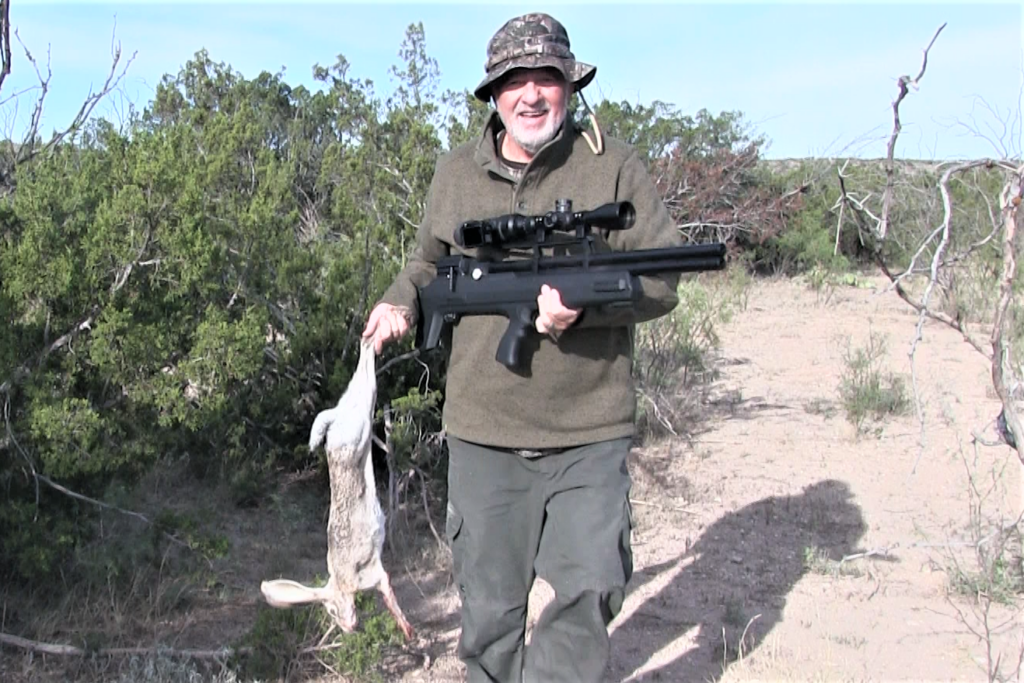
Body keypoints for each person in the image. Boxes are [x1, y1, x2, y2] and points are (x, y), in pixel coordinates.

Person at [362, 12, 684, 682]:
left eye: (547, 78)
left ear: (570, 85)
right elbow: (426, 263)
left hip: (589, 431)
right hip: (484, 433)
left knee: (586, 597)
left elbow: (662, 278)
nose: (532, 94)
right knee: (488, 615)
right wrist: (398, 301)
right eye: (516, 80)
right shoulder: (456, 174)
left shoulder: (613, 168)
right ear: (494, 92)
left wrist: (586, 310)